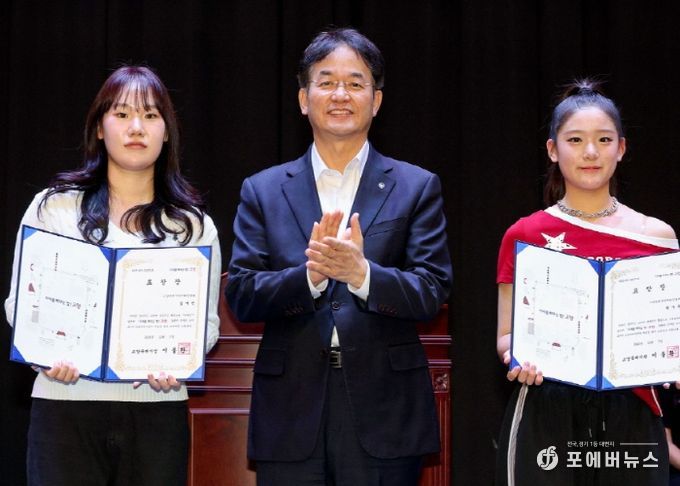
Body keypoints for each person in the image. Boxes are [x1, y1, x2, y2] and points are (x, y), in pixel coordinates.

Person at [226, 27, 452, 486]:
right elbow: (243, 294)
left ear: (377, 100)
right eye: (326, 82)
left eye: (355, 83)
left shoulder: (415, 186)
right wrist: (309, 277)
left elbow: (431, 290)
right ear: (303, 99)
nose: (340, 95)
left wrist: (362, 274)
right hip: (290, 409)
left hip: (384, 408)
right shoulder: (263, 189)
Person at [4, 65, 222, 486]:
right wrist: (45, 353)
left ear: (167, 132)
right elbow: (20, 305)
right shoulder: (53, 209)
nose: (136, 127)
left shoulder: (192, 227)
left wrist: (176, 360)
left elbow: (207, 327)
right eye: (122, 114)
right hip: (64, 405)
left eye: (151, 115)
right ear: (100, 128)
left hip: (157, 410)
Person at [495, 79, 677, 485]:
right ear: (552, 149)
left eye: (604, 139)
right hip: (547, 407)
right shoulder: (524, 234)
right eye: (575, 140)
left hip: (633, 411)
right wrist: (518, 357)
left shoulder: (657, 236)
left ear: (621, 148)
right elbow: (505, 335)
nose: (590, 152)